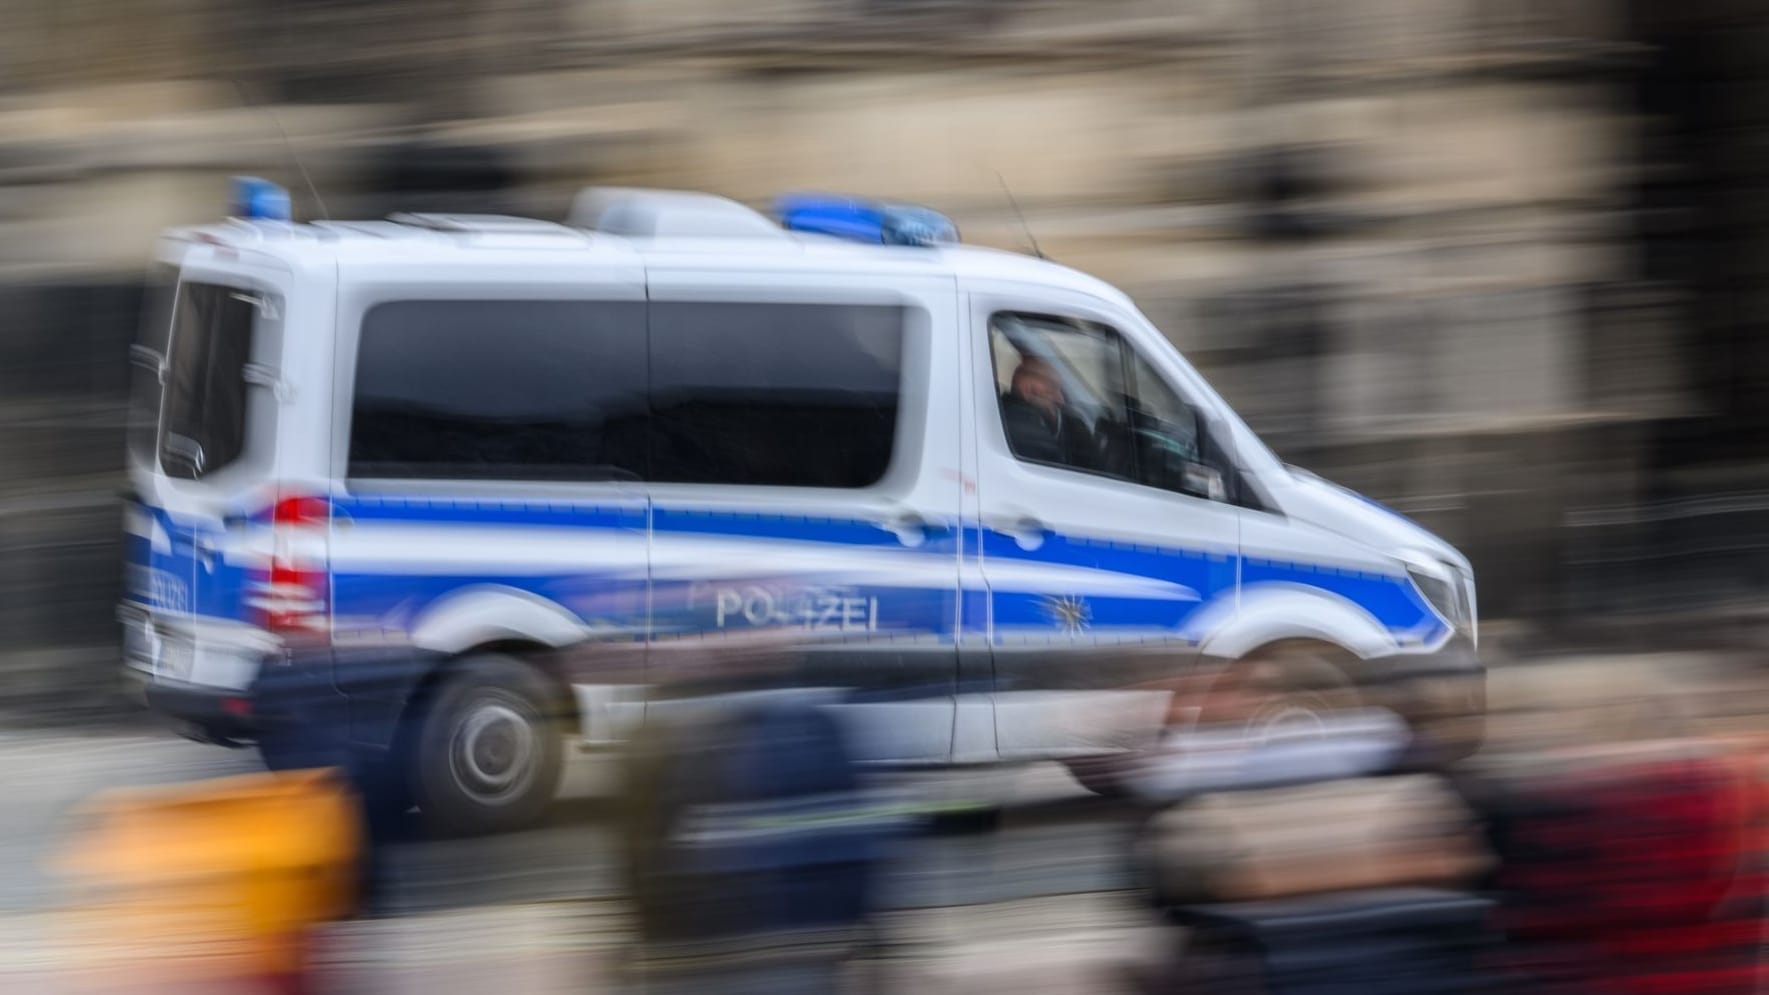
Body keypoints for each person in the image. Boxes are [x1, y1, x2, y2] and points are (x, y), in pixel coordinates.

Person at [999, 356, 1100, 470]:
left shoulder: (1069, 423)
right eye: (1051, 390)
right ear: (1027, 389)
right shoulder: (1017, 425)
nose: (1060, 399)